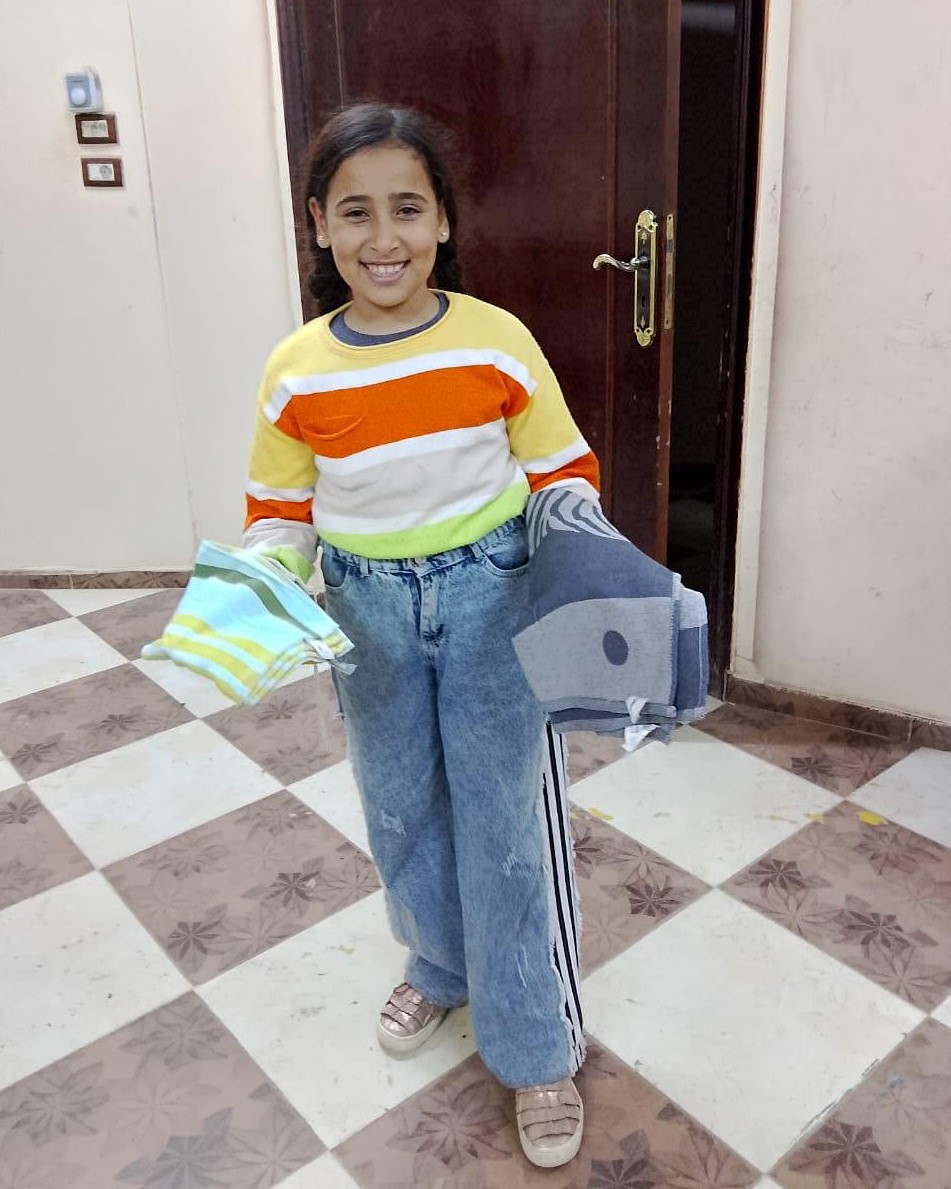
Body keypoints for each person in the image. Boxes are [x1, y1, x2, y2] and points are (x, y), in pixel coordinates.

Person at [243, 101, 601, 1170]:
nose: (383, 236)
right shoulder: (295, 369)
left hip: (495, 599)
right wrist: (262, 580)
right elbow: (280, 512)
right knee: (399, 806)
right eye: (356, 212)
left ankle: (535, 1040)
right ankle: (440, 968)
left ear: (444, 220)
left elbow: (563, 474)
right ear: (318, 225)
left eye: (409, 207)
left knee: (506, 821)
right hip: (366, 611)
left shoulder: (498, 339)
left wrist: (592, 551)